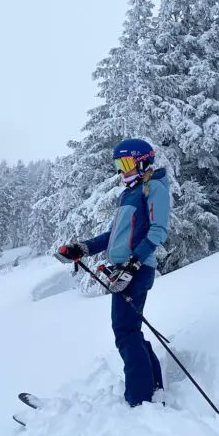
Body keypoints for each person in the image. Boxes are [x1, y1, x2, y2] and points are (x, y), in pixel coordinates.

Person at [55, 138, 171, 407]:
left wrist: (134, 264)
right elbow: (113, 235)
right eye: (119, 165)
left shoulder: (153, 188)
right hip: (123, 270)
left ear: (143, 162)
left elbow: (158, 231)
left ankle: (140, 399)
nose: (122, 170)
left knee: (125, 333)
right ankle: (152, 385)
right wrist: (82, 248)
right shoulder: (128, 194)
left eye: (127, 163)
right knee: (130, 330)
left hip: (137, 271)